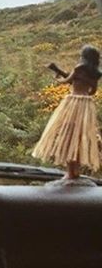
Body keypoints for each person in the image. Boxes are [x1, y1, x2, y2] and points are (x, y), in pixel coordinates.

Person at [32, 45, 102, 179]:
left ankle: (70, 173)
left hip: (73, 103)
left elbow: (66, 81)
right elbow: (93, 91)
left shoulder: (78, 68)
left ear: (84, 56)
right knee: (80, 136)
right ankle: (76, 171)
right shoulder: (96, 73)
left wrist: (57, 76)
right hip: (86, 104)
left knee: (69, 136)